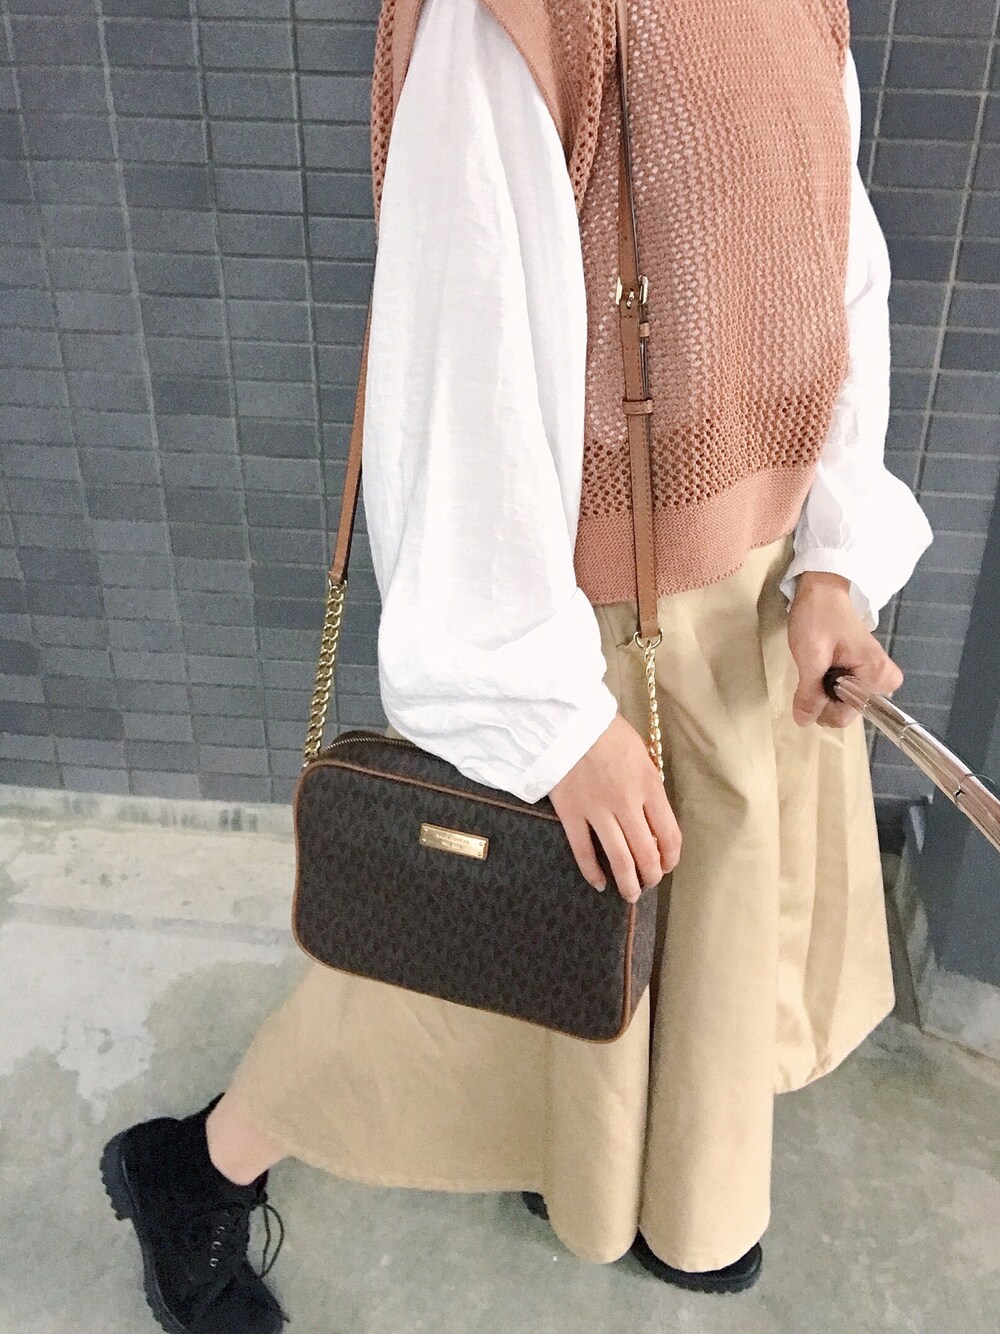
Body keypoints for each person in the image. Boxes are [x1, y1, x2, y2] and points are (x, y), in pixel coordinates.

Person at [100, 0, 935, 1329]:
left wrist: (836, 559)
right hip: (591, 626)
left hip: (757, 604)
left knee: (675, 961)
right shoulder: (515, 18)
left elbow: (833, 262)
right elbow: (462, 358)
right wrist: (545, 712)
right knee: (464, 976)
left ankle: (654, 1185)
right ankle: (197, 1163)